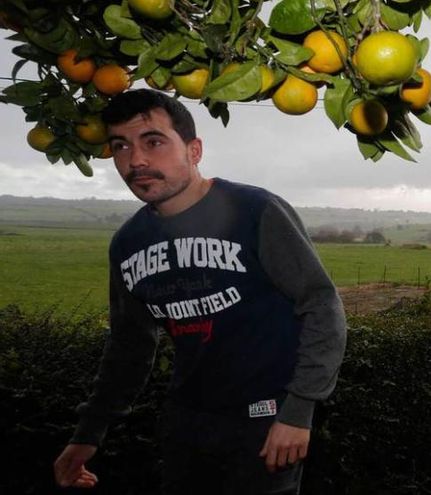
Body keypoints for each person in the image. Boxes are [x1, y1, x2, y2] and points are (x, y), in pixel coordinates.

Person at [53, 88, 347, 494]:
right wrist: (88, 433)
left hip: (267, 422)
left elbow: (321, 306)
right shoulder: (128, 243)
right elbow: (129, 348)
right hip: (186, 424)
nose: (136, 160)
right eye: (121, 146)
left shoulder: (255, 211)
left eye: (153, 142)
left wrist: (298, 411)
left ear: (194, 150)